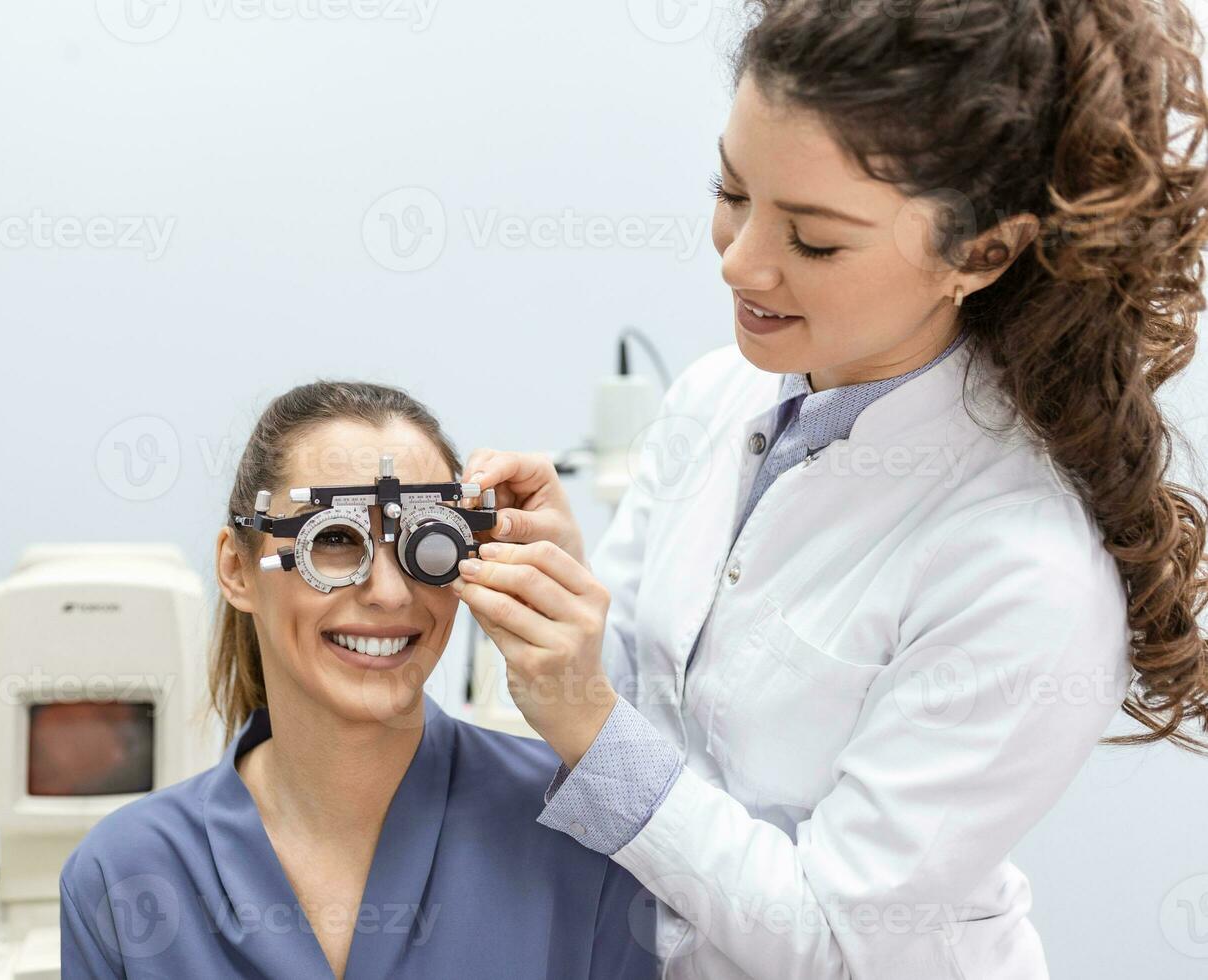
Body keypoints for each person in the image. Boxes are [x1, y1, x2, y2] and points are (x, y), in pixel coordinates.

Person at [448, 2, 1208, 977]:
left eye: (813, 239)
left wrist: (585, 715)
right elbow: (651, 723)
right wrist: (563, 589)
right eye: (731, 190)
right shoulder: (714, 399)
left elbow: (835, 939)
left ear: (981, 251)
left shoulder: (1021, 567)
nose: (738, 257)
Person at [59, 381, 660, 979]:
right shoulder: (124, 876)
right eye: (337, 540)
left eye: (426, 542)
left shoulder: (585, 832)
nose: (390, 593)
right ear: (236, 568)